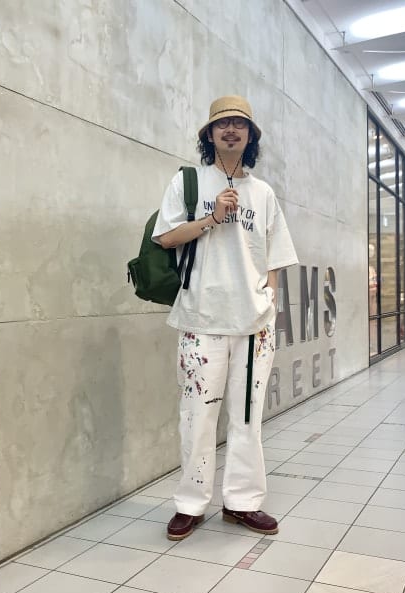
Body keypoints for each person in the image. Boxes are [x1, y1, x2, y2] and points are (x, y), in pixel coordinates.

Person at [152, 95, 299, 540]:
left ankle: (242, 502)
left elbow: (275, 256)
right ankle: (191, 504)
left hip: (254, 325)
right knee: (196, 417)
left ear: (250, 136)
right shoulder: (189, 182)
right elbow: (165, 238)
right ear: (209, 134)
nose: (231, 130)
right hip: (201, 318)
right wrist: (212, 216)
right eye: (222, 124)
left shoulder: (263, 193)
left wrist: (269, 302)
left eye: (239, 124)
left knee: (247, 418)